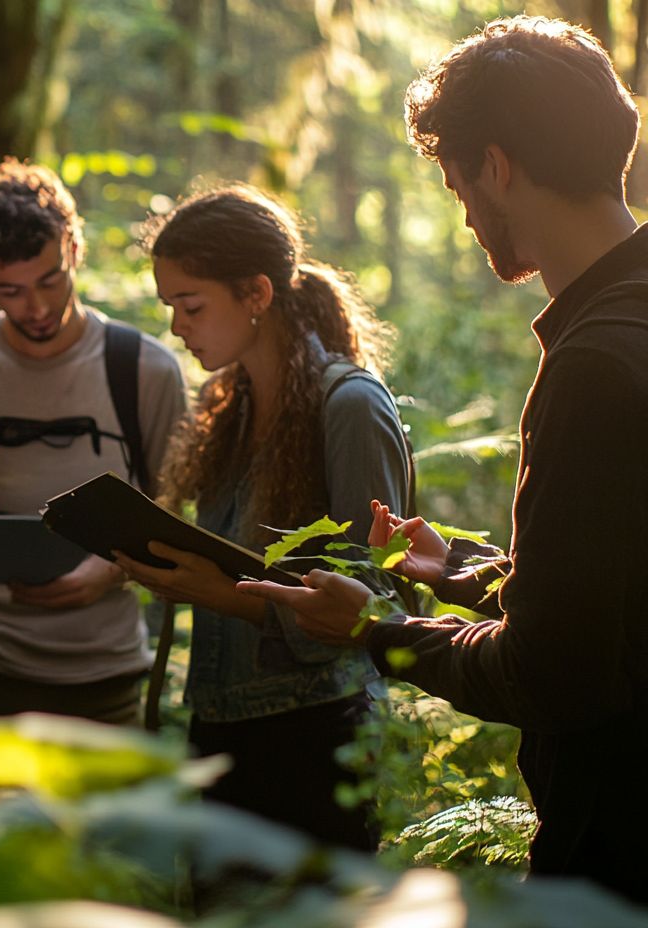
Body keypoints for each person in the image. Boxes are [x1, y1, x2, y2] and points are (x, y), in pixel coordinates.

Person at [237, 15, 648, 901]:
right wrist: (461, 569)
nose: (466, 217)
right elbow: (620, 603)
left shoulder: (594, 368)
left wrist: (372, 632)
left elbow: (553, 676)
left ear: (495, 167)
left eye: (459, 188)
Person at [112, 184, 410, 851]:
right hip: (220, 729)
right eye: (169, 307)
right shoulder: (230, 412)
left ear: (256, 294)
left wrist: (226, 597)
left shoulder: (350, 406)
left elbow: (376, 603)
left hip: (317, 736)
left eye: (190, 305)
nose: (175, 327)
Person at [0, 159, 187, 725]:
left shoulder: (145, 370)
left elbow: (173, 508)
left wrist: (111, 568)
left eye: (50, 280)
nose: (34, 308)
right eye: (8, 290)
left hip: (101, 671)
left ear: (75, 251)